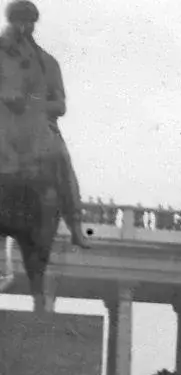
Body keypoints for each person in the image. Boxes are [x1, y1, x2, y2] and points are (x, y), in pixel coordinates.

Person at [0, 1, 90, 247]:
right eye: (19, 22)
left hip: (39, 127)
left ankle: (75, 224)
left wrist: (33, 106)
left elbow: (60, 104)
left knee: (61, 158)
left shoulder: (48, 62)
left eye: (28, 23)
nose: (23, 28)